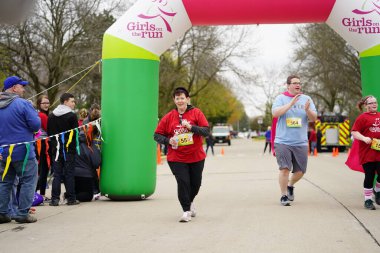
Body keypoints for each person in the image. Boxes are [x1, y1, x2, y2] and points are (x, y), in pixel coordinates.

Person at [154, 87, 209, 222]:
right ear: (174, 100)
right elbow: (156, 135)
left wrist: (192, 128)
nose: (180, 101)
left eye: (182, 98)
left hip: (196, 156)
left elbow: (206, 131)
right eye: (177, 98)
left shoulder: (196, 113)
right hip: (176, 157)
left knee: (195, 184)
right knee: (183, 182)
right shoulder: (169, 117)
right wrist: (168, 140)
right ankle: (186, 211)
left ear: (187, 99)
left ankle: (189, 202)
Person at [0, 75, 41, 223]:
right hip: (23, 153)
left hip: (3, 153)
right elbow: (36, 126)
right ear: (13, 88)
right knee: (29, 180)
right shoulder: (22, 104)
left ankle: (3, 213)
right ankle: (22, 213)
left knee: (5, 182)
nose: (23, 89)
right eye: (21, 86)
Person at [272, 75, 317, 206]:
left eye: (299, 83)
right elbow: (275, 113)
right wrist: (291, 103)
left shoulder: (307, 99)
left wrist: (307, 109)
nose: (298, 85)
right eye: (295, 83)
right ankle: (283, 195)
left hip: (301, 142)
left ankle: (290, 185)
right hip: (283, 141)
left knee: (300, 171)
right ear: (288, 85)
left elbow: (314, 118)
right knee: (284, 169)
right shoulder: (280, 98)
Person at [47, 93, 79, 206]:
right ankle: (71, 198)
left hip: (55, 148)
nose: (74, 103)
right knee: (69, 173)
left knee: (57, 174)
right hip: (68, 149)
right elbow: (75, 133)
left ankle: (55, 199)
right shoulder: (71, 115)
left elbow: (50, 133)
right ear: (65, 102)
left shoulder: (51, 115)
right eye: (72, 101)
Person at [351, 95, 380, 210]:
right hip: (367, 152)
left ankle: (377, 190)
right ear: (366, 106)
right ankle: (368, 200)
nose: (374, 105)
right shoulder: (362, 118)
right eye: (371, 103)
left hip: (379, 150)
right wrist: (363, 138)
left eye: (375, 103)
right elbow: (354, 132)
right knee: (370, 175)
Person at [74, 128, 101, 202]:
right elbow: (96, 163)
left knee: (78, 191)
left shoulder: (74, 143)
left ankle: (71, 195)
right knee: (88, 196)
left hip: (73, 174)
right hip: (86, 175)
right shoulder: (91, 145)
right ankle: (71, 196)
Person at [35, 95, 51, 201]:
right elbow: (48, 129)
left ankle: (38, 193)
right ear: (39, 104)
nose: (46, 105)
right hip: (43, 144)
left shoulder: (39, 114)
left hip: (39, 143)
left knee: (41, 169)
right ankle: (42, 194)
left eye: (47, 103)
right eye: (44, 103)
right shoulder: (42, 116)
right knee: (43, 169)